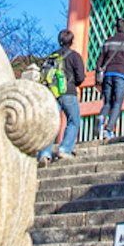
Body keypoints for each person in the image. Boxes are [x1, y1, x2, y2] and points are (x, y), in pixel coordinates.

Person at [37, 30, 86, 167]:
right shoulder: (74, 56)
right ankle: (64, 149)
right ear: (72, 41)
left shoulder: (51, 57)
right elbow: (81, 77)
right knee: (73, 120)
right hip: (68, 91)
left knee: (51, 123)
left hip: (51, 92)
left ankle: (44, 153)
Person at [95, 18, 124, 140]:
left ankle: (102, 115)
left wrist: (97, 81)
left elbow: (99, 61)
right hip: (121, 75)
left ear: (116, 28)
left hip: (107, 75)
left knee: (107, 102)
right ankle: (108, 130)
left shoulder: (108, 42)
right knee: (117, 104)